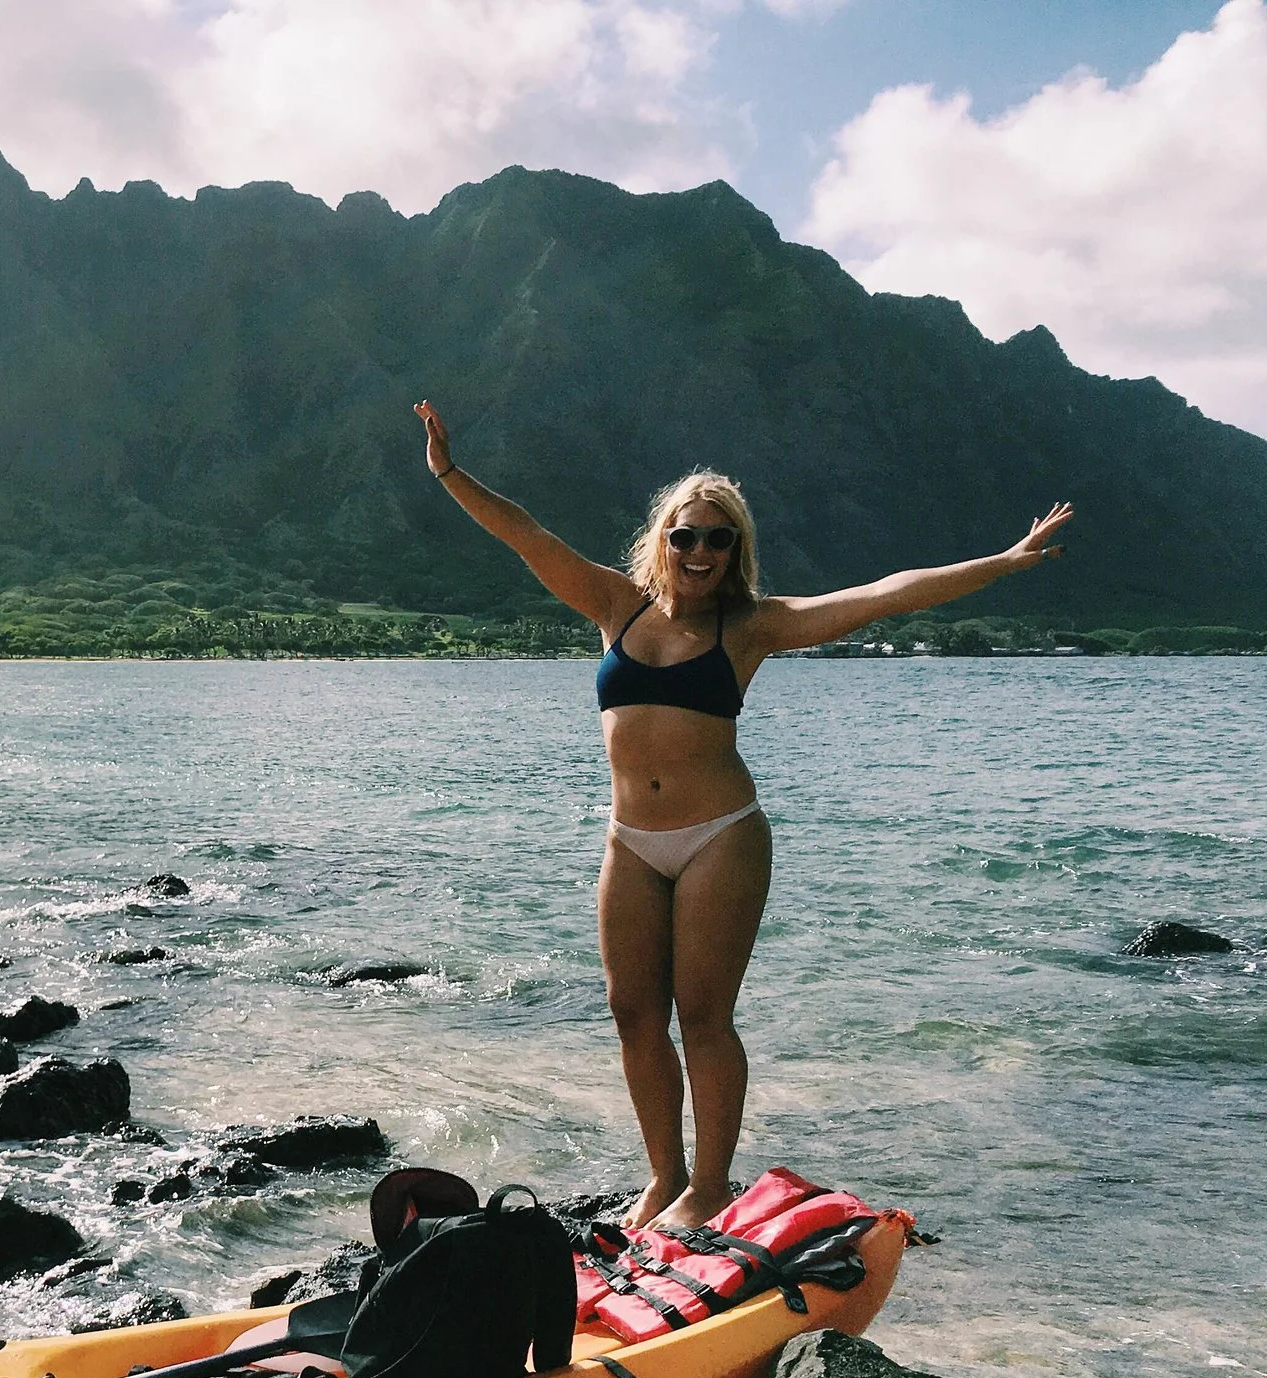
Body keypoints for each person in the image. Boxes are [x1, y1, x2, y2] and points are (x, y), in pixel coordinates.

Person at [414, 400, 1071, 1227]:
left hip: (720, 838)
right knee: (632, 1012)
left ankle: (712, 1186)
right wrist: (446, 470)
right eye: (685, 534)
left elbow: (885, 595)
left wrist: (1002, 563)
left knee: (703, 1013)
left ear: (735, 552)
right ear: (664, 540)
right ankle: (665, 1175)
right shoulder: (616, 605)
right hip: (630, 841)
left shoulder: (754, 627)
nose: (698, 550)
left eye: (717, 538)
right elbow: (526, 534)